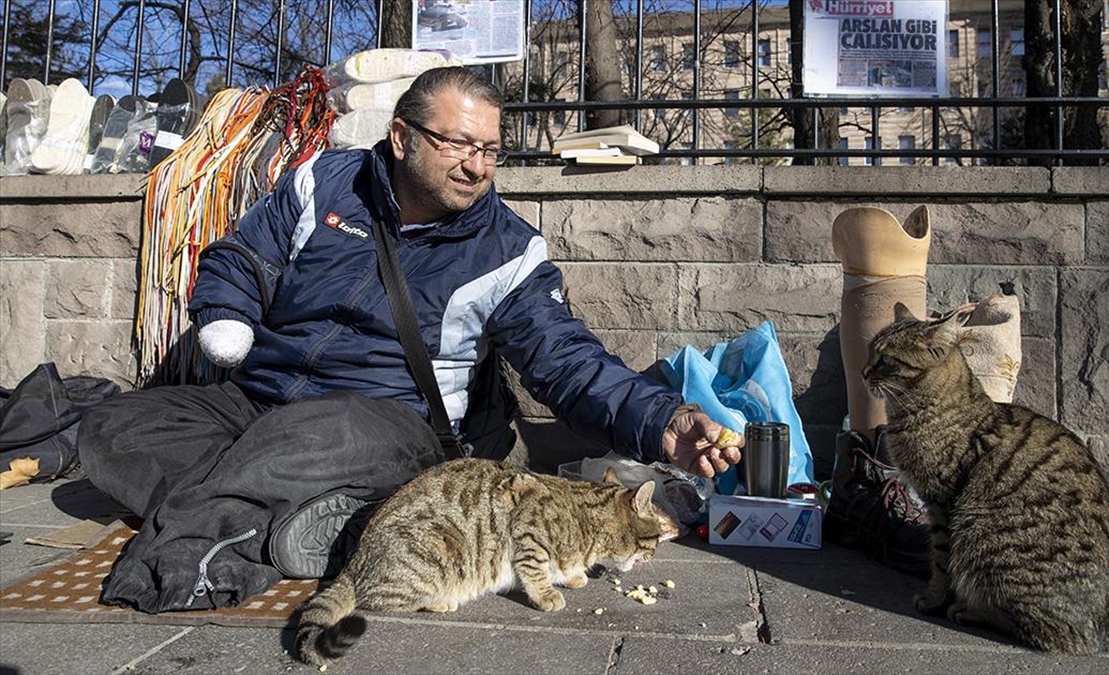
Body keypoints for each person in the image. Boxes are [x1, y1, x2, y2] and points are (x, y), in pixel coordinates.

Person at [77, 66, 743, 614]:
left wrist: (661, 419)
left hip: (386, 422)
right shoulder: (324, 182)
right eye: (459, 144)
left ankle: (228, 533)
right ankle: (321, 518)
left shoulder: (506, 250)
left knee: (325, 434)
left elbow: (565, 357)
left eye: (488, 149)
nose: (477, 166)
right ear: (402, 137)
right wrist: (226, 313)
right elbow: (243, 257)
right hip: (262, 401)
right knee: (111, 428)